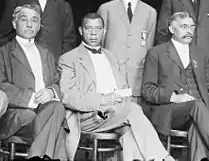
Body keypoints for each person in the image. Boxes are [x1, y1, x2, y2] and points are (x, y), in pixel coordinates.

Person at [59, 13, 175, 161]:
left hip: (115, 113)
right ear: (81, 31)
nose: (94, 33)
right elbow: (68, 97)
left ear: (104, 31)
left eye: (98, 29)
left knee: (130, 132)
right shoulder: (69, 58)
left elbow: (123, 87)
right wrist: (103, 99)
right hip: (88, 116)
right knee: (132, 109)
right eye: (89, 28)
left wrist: (120, 99)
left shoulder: (111, 56)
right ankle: (162, 157)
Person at [142, 11, 209, 161]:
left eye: (192, 27)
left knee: (196, 126)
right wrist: (174, 97)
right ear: (172, 29)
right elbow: (147, 90)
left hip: (198, 114)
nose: (189, 31)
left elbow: (208, 86)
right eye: (184, 26)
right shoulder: (156, 53)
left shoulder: (200, 54)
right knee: (196, 106)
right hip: (169, 111)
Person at [0, 4, 68, 160]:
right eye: (24, 20)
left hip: (46, 110)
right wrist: (30, 98)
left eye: (34, 20)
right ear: (14, 23)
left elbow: (57, 83)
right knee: (50, 119)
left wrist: (51, 92)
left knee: (56, 107)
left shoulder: (47, 54)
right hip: (18, 113)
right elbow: (1, 85)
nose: (29, 24)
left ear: (39, 27)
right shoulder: (3, 53)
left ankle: (36, 156)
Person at [97, 0, 157, 99]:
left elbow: (149, 47)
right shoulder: (106, 9)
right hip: (112, 76)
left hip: (137, 78)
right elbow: (99, 45)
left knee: (136, 115)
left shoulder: (150, 12)